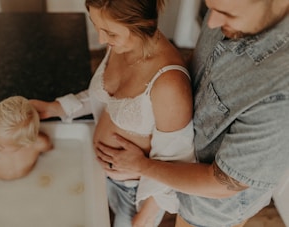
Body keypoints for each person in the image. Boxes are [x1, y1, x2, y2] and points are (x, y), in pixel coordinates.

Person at [94, 0, 289, 227]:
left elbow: (223, 183)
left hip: (208, 208)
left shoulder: (281, 94)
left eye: (227, 14)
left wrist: (142, 167)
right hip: (174, 172)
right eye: (210, 7)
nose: (211, 22)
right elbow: (205, 75)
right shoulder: (230, 9)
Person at [30, 0, 195, 226]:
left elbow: (177, 160)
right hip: (100, 171)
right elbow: (106, 97)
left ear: (142, 23)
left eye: (109, 32)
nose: (101, 40)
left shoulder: (169, 83)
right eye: (96, 26)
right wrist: (56, 108)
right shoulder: (119, 44)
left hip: (135, 194)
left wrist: (145, 217)